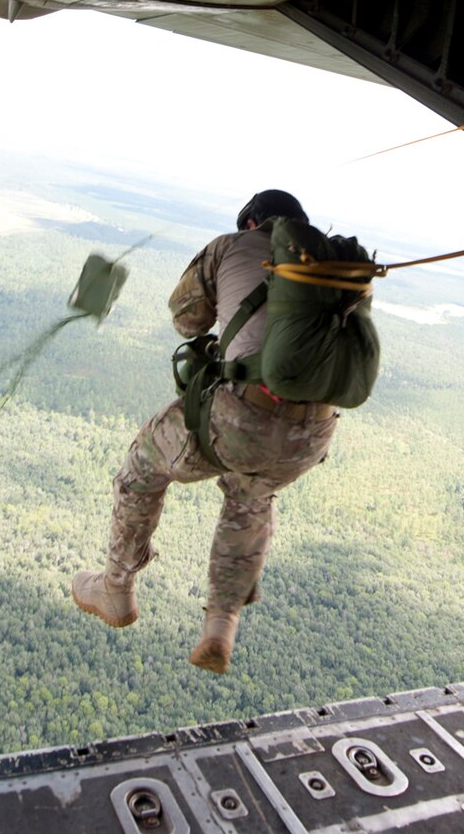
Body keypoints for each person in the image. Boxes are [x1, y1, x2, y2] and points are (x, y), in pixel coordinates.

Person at [72, 189, 339, 673]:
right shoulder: (334, 263)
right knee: (251, 495)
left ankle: (116, 587)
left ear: (252, 221)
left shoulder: (233, 245)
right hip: (314, 432)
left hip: (244, 416)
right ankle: (220, 625)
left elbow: (186, 319)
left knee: (142, 465)